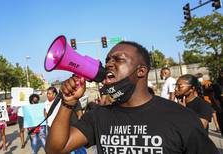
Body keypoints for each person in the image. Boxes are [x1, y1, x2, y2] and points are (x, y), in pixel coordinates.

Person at [45, 41, 218, 153]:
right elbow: (56, 149)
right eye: (107, 60)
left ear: (141, 71)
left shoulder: (181, 117)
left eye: (118, 59)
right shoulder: (98, 116)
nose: (109, 64)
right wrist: (68, 103)